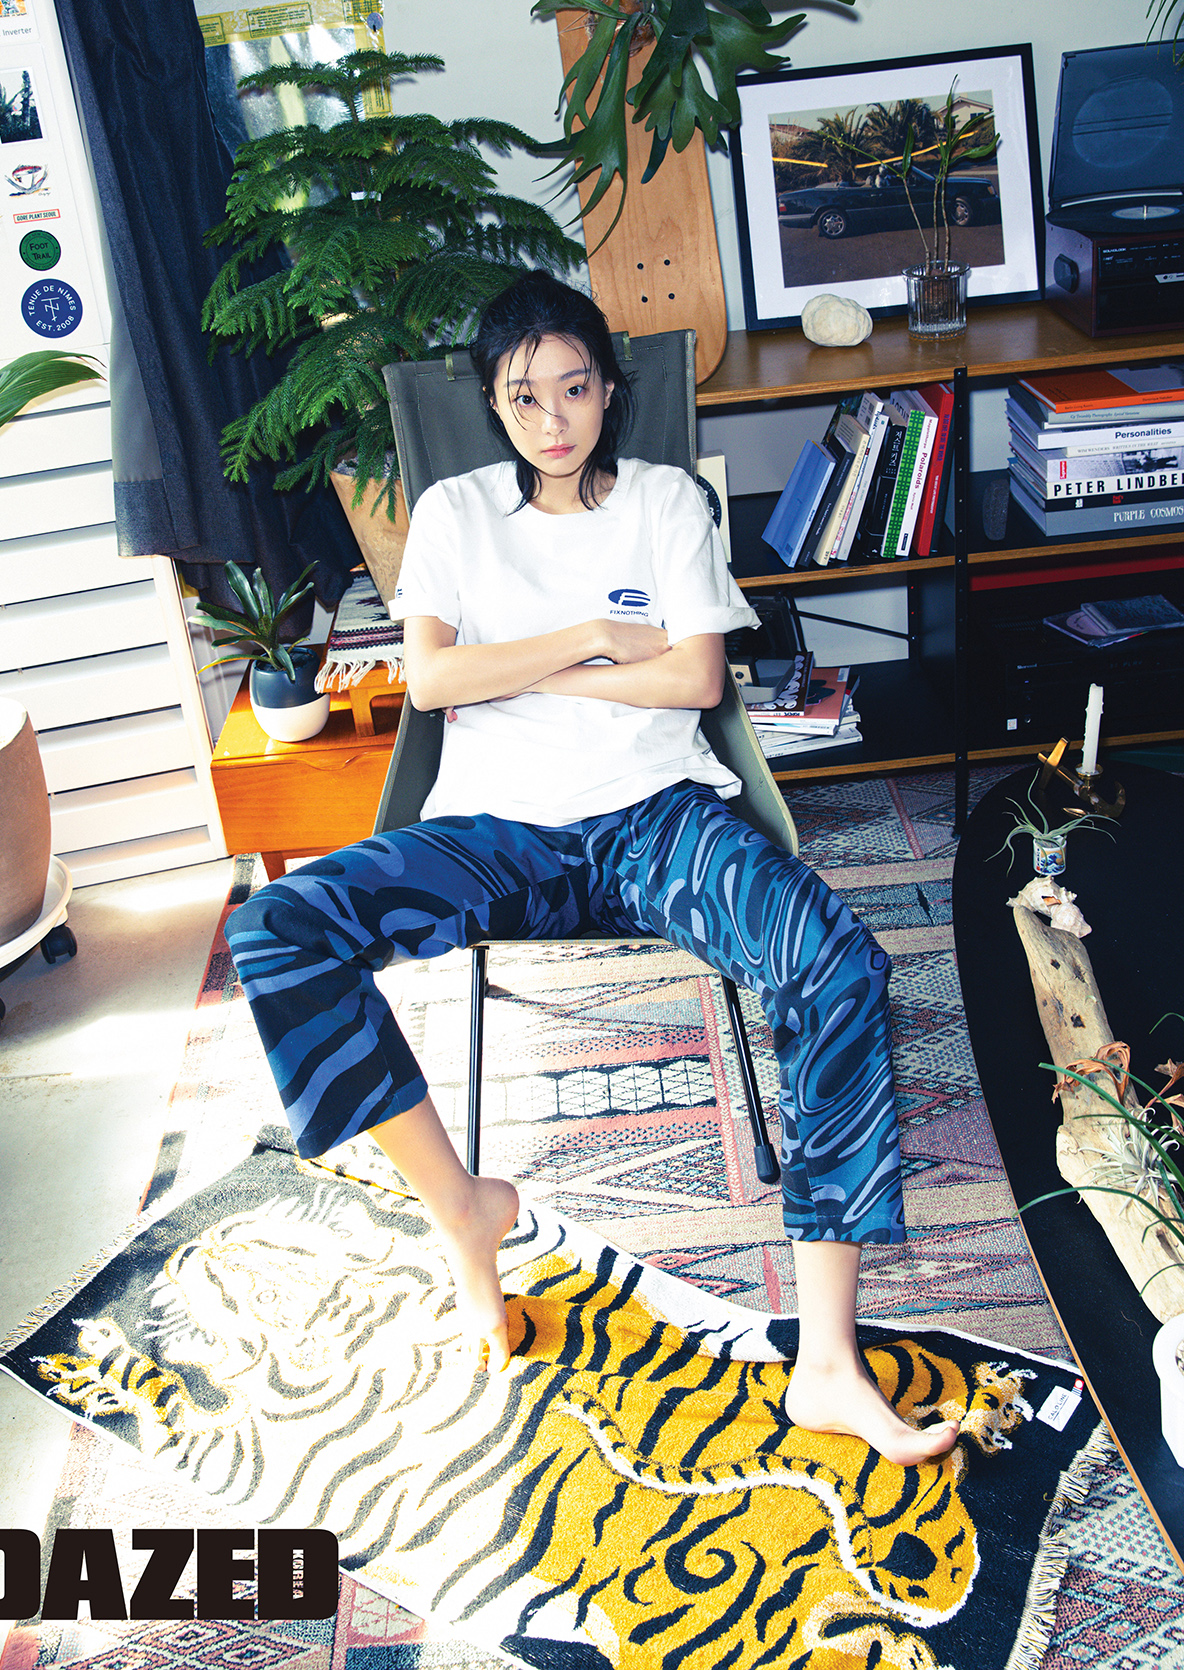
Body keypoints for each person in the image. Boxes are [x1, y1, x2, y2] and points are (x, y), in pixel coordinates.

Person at [225, 271, 959, 1468]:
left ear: (609, 390)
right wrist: (591, 639)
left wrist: (525, 669)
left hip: (655, 817)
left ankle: (826, 1358)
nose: (551, 417)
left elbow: (696, 680)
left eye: (573, 388)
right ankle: (463, 1212)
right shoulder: (455, 512)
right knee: (279, 928)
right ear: (493, 403)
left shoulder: (666, 500)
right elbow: (432, 681)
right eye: (523, 396)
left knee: (835, 965)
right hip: (496, 834)